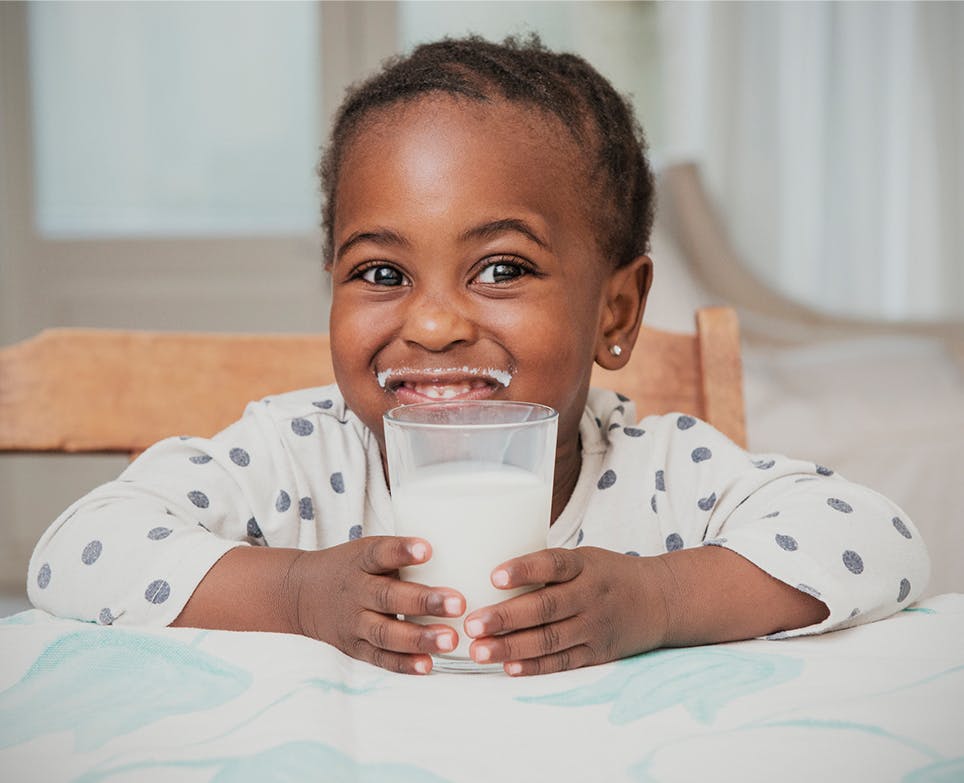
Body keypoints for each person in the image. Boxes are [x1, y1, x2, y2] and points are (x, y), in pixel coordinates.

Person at [27, 35, 929, 676]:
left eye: (501, 268)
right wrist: (296, 594)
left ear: (617, 309)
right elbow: (75, 551)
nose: (431, 324)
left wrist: (659, 601)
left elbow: (881, 542)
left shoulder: (662, 475)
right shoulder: (297, 459)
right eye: (380, 270)